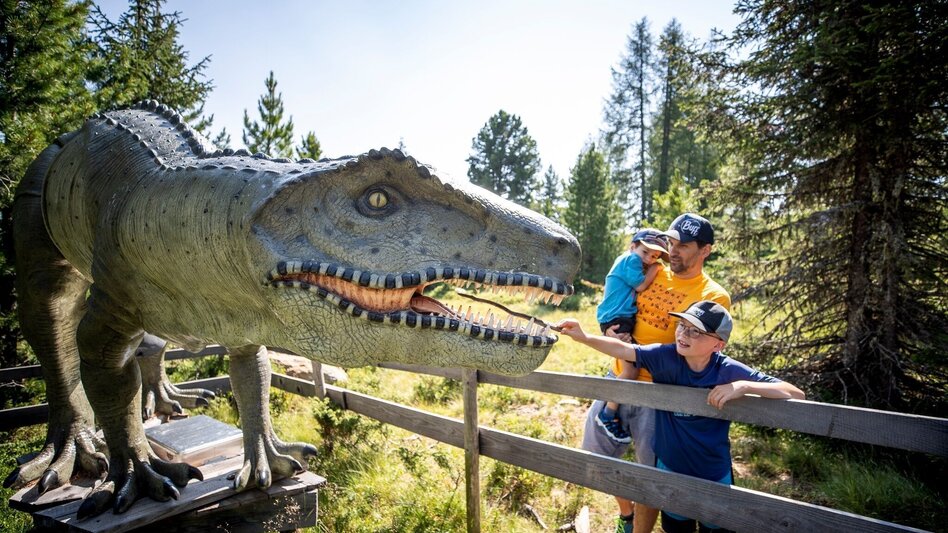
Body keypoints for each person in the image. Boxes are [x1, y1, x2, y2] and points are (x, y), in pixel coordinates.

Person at [559, 301, 804, 533]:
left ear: (718, 345)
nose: (683, 335)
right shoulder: (665, 357)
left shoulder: (727, 370)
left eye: (695, 332)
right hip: (670, 471)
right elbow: (625, 349)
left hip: (713, 473)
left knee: (715, 527)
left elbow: (795, 393)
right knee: (677, 528)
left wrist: (743, 386)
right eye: (682, 326)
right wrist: (584, 337)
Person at [581, 213, 731, 533]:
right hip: (619, 375)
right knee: (595, 457)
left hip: (660, 394)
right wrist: (609, 330)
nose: (673, 250)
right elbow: (619, 298)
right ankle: (626, 515)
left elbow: (706, 350)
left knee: (649, 476)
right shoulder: (653, 269)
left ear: (705, 250)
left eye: (684, 246)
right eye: (671, 242)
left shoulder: (712, 295)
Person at [595, 229, 670, 444]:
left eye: (655, 256)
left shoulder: (630, 260)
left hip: (615, 317)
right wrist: (655, 269)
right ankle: (607, 414)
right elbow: (641, 285)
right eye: (645, 252)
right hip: (618, 318)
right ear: (633, 246)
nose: (649, 259)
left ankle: (611, 412)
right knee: (630, 368)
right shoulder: (630, 261)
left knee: (631, 365)